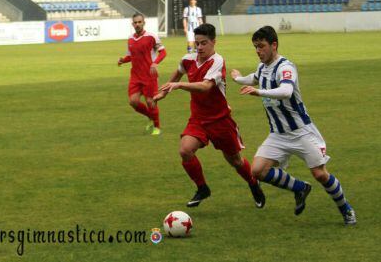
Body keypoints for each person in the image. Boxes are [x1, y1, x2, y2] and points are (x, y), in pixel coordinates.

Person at [231, 25, 356, 225]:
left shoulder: (286, 67)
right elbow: (253, 79)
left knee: (320, 174)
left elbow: (286, 91)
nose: (258, 51)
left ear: (274, 45)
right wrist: (237, 78)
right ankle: (299, 188)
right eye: (255, 47)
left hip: (301, 132)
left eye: (261, 46)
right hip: (278, 134)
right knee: (257, 170)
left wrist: (259, 93)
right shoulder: (262, 68)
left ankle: (346, 209)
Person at [153, 23, 265, 208]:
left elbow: (205, 87)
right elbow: (177, 73)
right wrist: (163, 92)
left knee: (235, 161)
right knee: (185, 150)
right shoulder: (188, 59)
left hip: (220, 120)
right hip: (198, 119)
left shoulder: (217, 61)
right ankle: (202, 188)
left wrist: (179, 86)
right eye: (197, 43)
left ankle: (253, 183)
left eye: (204, 43)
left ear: (214, 42)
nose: (199, 47)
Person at [117, 13, 166, 135]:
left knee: (150, 102)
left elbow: (163, 52)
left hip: (149, 75)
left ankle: (157, 127)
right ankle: (150, 117)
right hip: (135, 76)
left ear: (144, 23)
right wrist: (123, 60)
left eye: (140, 22)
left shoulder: (151, 37)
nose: (137, 24)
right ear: (132, 24)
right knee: (133, 102)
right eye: (135, 22)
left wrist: (155, 63)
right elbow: (131, 56)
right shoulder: (130, 39)